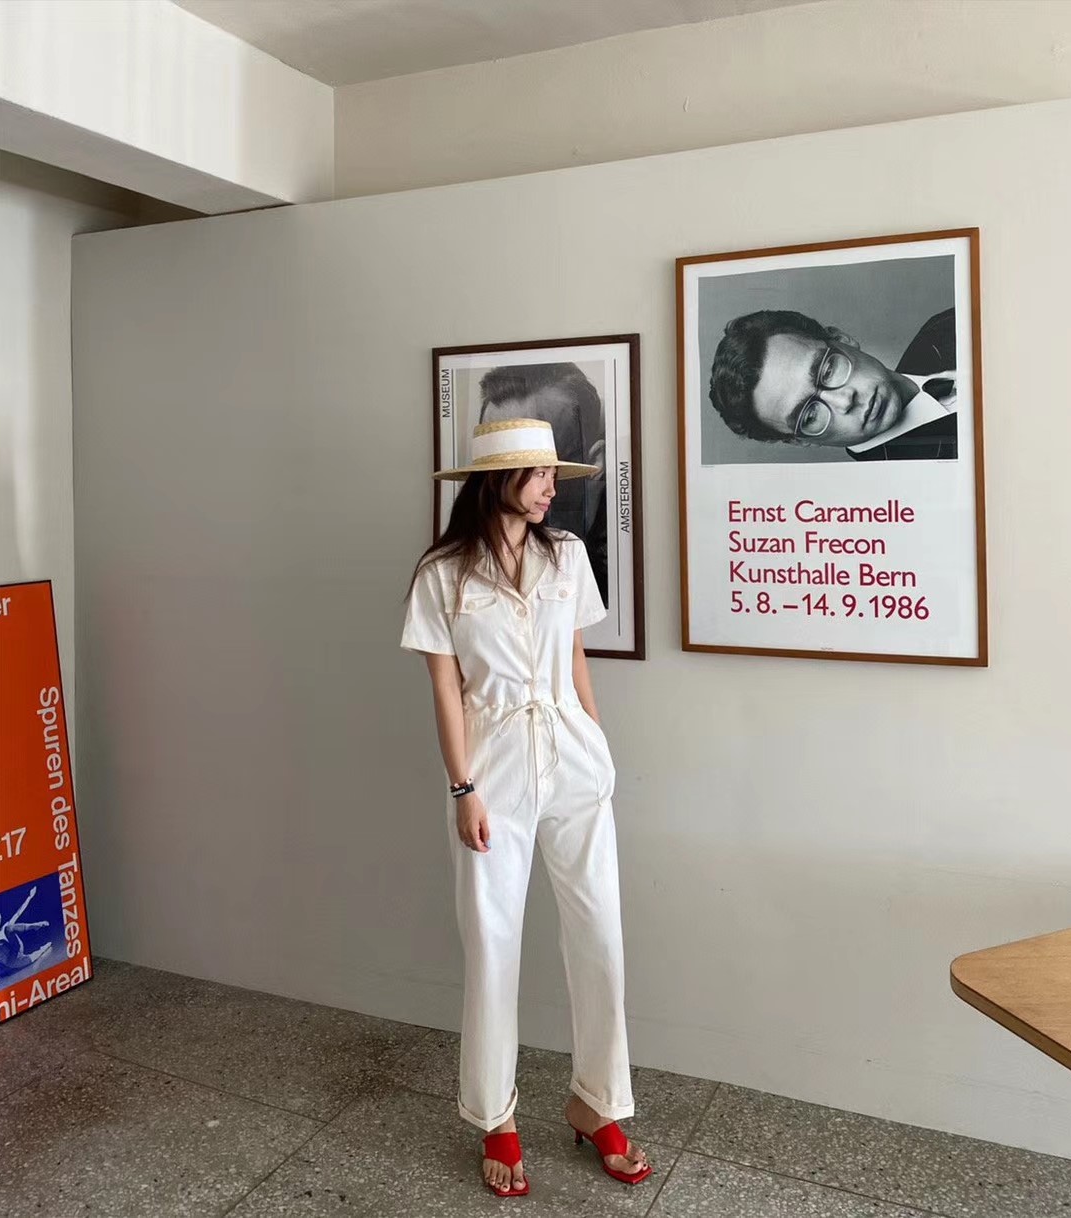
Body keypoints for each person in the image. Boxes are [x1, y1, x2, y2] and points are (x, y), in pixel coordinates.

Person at [400, 416, 651, 1198]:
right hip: (494, 768)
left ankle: (597, 1103)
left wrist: (599, 752)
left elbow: (575, 657)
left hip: (574, 758)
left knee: (601, 934)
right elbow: (445, 688)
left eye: (552, 475)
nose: (551, 488)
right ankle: (496, 1117)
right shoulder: (443, 573)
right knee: (493, 943)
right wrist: (462, 786)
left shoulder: (566, 555)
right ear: (497, 480)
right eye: (539, 474)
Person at [709, 307, 958, 461]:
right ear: (799, 441)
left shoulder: (944, 327)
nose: (844, 401)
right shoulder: (899, 502)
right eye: (809, 415)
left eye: (827, 371)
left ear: (842, 339)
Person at [479, 363, 609, 605]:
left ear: (595, 461)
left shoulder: (579, 556)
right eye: (496, 464)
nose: (503, 484)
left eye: (538, 468)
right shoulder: (445, 567)